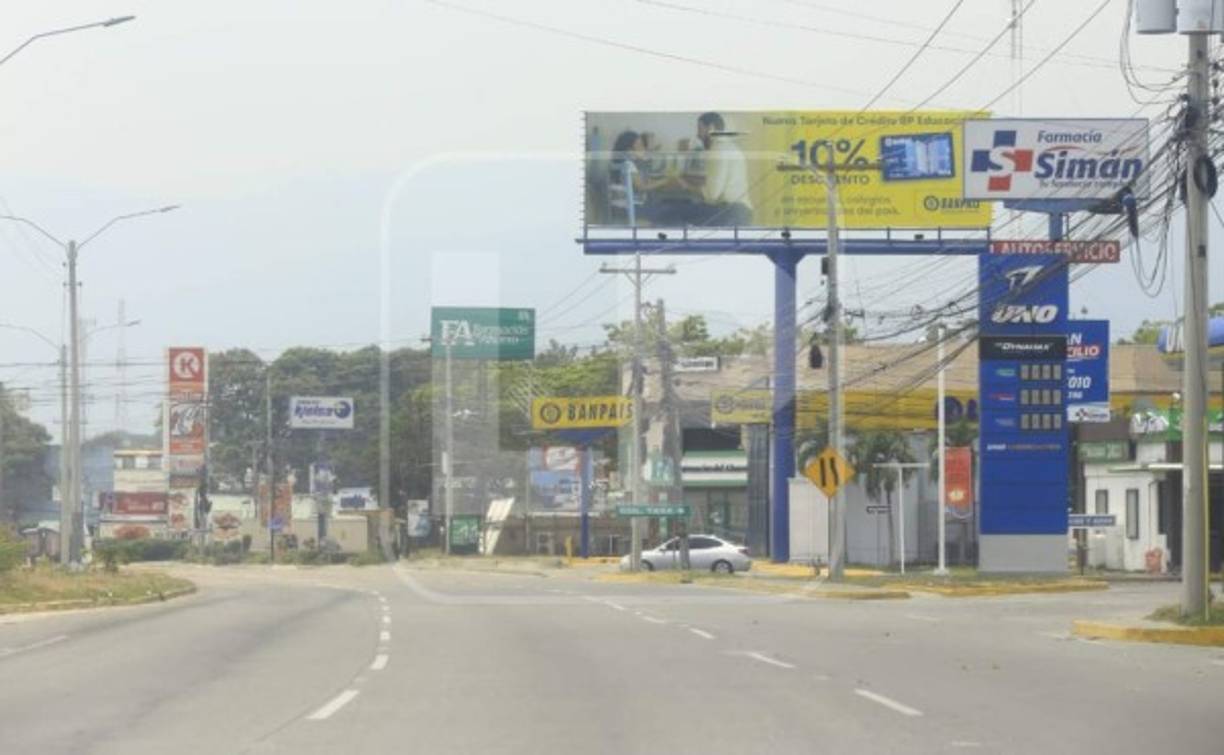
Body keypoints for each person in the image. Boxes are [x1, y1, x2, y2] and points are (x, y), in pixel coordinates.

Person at [694, 112, 753, 227]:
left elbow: (712, 195)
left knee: (677, 214)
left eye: (700, 129)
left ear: (710, 128)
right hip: (741, 212)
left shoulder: (718, 149)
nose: (697, 135)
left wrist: (687, 186)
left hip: (730, 213)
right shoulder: (730, 147)